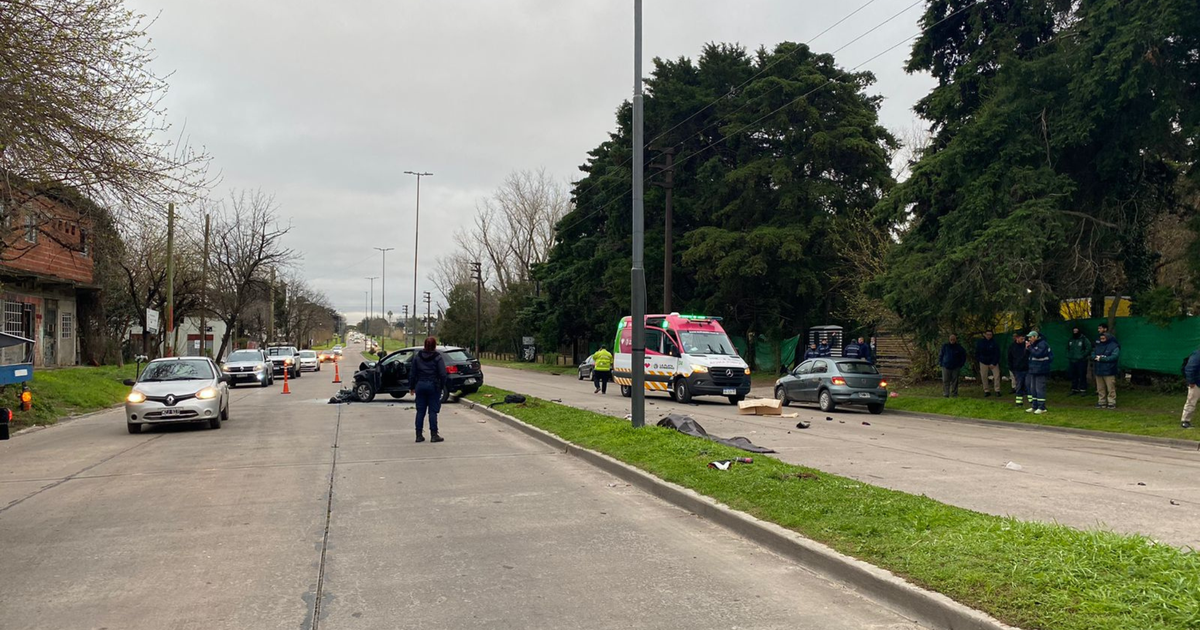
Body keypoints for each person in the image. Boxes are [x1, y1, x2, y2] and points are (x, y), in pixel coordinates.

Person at [409, 336, 447, 443]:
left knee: (420, 411)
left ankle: (418, 434)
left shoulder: (418, 357)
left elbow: (412, 373)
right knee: (433, 411)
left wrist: (412, 387)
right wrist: (441, 386)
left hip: (420, 385)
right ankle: (434, 435)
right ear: (434, 345)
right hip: (433, 386)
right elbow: (443, 374)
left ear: (425, 345)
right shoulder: (437, 357)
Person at [1026, 330, 1053, 414]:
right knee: (1033, 388)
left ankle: (1042, 407)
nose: (1029, 339)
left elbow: (1038, 354)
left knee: (1039, 388)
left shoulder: (1042, 344)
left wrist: (1030, 348)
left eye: (1031, 337)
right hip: (1033, 369)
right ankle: (1034, 406)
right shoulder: (1034, 345)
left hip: (1041, 370)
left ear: (1035, 337)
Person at [1091, 331, 1120, 409]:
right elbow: (1092, 354)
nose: (1102, 339)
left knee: (1111, 388)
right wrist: (1095, 357)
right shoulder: (1098, 345)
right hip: (1099, 370)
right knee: (1100, 388)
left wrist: (1102, 358)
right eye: (1101, 338)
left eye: (1103, 338)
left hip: (1109, 370)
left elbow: (1114, 357)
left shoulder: (1114, 346)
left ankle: (1111, 402)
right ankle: (1101, 402)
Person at [1066, 326, 1093, 395]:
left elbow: (1088, 348)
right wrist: (1069, 355)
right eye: (1074, 331)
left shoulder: (1084, 339)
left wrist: (1083, 355)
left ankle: (1083, 389)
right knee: (1073, 375)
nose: (1075, 332)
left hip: (1081, 360)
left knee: (1082, 375)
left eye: (1076, 331)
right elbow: (1068, 348)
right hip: (1072, 360)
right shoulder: (1071, 339)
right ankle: (1074, 389)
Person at [975, 330, 1001, 397]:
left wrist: (994, 362)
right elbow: (977, 353)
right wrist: (980, 360)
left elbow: (997, 353)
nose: (989, 336)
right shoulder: (981, 343)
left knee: (997, 376)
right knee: (984, 376)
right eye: (988, 334)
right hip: (983, 362)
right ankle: (986, 390)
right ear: (985, 335)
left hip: (993, 362)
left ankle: (997, 390)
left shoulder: (995, 343)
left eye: (990, 334)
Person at [1008, 332, 1029, 406]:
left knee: (1028, 385)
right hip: (1017, 369)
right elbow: (1010, 358)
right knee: (1019, 385)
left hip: (1026, 368)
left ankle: (1031, 401)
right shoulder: (1012, 347)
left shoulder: (1026, 346)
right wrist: (1012, 368)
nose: (1023, 340)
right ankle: (1019, 402)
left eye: (1024, 338)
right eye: (1021, 338)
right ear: (1017, 338)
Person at [1181, 347, 1200, 429]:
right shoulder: (1197, 355)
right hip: (1196, 383)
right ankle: (1185, 421)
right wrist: (1191, 381)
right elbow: (1190, 368)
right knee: (1191, 401)